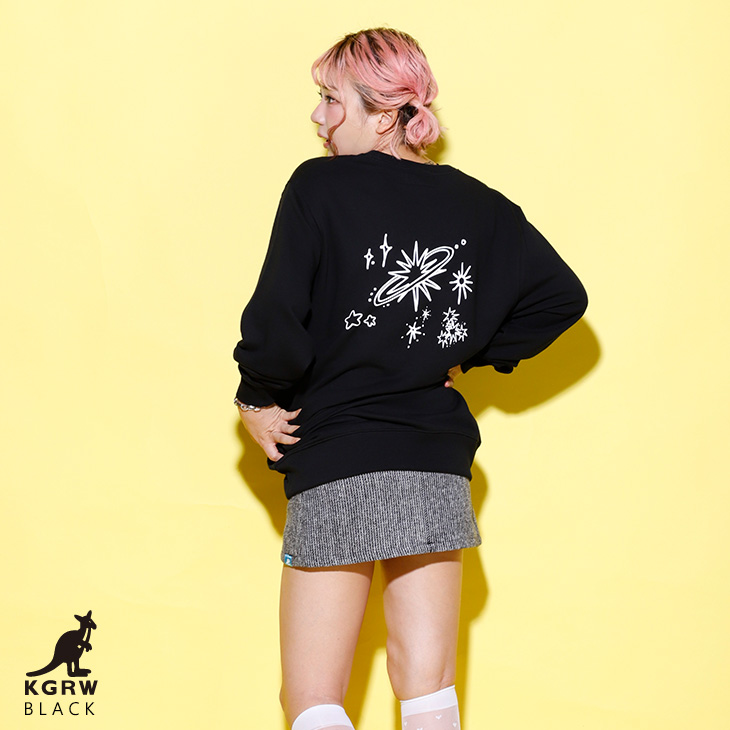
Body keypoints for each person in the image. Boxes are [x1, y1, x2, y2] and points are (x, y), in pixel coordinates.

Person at [233, 27, 587, 730]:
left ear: (384, 114)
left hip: (338, 456)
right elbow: (562, 297)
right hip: (433, 462)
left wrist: (256, 396)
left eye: (332, 99)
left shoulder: (318, 187)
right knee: (428, 691)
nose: (318, 116)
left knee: (312, 700)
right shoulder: (479, 205)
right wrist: (465, 354)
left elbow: (279, 317)